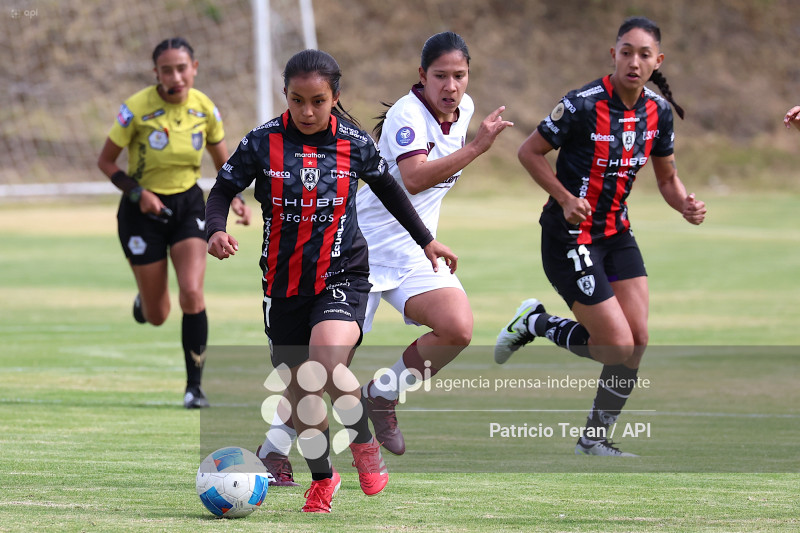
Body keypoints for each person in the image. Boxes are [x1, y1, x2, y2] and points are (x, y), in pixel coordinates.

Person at [205, 49, 458, 513]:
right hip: (282, 284)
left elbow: (391, 191)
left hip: (343, 274)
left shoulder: (354, 144)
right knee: (303, 392)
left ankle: (364, 445)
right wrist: (215, 229)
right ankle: (324, 479)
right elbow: (222, 188)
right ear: (285, 95)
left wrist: (427, 241)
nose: (307, 111)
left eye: (318, 101)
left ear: (335, 97)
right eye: (297, 100)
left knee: (323, 363)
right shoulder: (261, 142)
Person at [254, 32, 513, 473]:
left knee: (457, 328)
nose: (451, 86)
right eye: (441, 76)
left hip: (414, 251)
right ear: (422, 76)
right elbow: (413, 178)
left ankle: (382, 394)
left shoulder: (465, 110)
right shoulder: (406, 116)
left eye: (460, 75)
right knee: (324, 369)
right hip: (360, 252)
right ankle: (273, 450)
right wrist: (477, 148)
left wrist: (427, 237)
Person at [494, 16, 706, 456]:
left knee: (637, 342)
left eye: (644, 54)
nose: (634, 62)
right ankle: (534, 322)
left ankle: (593, 440)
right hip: (569, 237)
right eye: (626, 52)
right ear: (614, 55)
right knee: (616, 347)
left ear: (658, 61)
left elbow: (668, 179)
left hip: (616, 234)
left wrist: (685, 204)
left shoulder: (658, 112)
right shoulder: (581, 105)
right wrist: (565, 197)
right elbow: (528, 152)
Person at [97, 37, 251, 409]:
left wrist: (235, 197)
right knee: (158, 315)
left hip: (188, 207)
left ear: (194, 68)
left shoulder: (205, 109)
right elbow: (106, 161)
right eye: (167, 70)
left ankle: (194, 388)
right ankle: (146, 300)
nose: (176, 77)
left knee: (192, 293)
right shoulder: (135, 109)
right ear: (156, 73)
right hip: (141, 212)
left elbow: (224, 164)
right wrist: (138, 193)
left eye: (182, 68)